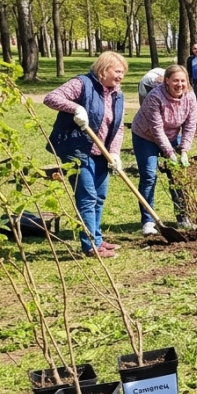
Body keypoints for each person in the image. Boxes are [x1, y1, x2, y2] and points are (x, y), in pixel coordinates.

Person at [44, 51, 128, 259]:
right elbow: (51, 97)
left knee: (100, 196)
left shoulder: (117, 94)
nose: (121, 77)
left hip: (102, 152)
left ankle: (96, 238)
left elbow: (117, 128)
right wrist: (76, 108)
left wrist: (115, 153)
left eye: (123, 73)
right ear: (103, 69)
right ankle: (90, 245)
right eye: (118, 71)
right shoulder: (82, 84)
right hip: (77, 149)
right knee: (87, 196)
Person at [131, 65, 197, 235]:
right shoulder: (155, 97)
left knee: (178, 176)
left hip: (172, 135)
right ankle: (148, 221)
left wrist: (183, 150)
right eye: (175, 80)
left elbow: (190, 125)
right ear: (167, 80)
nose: (179, 84)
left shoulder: (190, 96)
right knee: (149, 176)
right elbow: (156, 129)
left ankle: (183, 217)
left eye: (183, 80)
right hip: (146, 136)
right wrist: (169, 153)